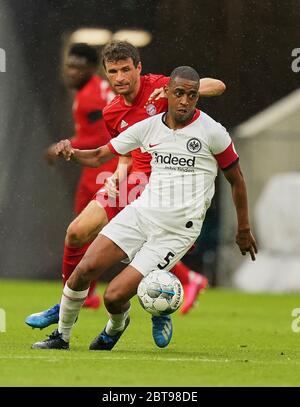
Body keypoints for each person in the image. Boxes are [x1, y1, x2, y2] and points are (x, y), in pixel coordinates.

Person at [31, 65, 257, 351]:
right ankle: (61, 337)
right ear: (168, 94)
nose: (185, 101)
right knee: (84, 270)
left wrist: (244, 228)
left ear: (197, 97)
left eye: (192, 95)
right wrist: (71, 153)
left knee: (113, 297)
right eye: (179, 94)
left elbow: (236, 180)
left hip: (176, 231)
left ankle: (115, 326)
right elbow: (100, 154)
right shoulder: (148, 127)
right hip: (141, 213)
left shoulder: (213, 132)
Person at [44, 43, 117, 309]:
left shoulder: (90, 96)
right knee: (93, 232)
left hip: (104, 167)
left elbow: (99, 136)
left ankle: (75, 293)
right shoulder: (92, 90)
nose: (72, 71)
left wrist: (65, 146)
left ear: (91, 68)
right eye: (69, 65)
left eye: (78, 67)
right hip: (103, 166)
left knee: (84, 231)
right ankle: (85, 293)